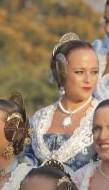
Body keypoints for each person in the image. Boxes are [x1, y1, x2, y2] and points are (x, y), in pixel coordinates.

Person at [26, 35, 99, 169]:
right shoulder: (39, 118)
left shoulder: (103, 116)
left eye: (94, 72)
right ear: (61, 72)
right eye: (79, 72)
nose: (88, 79)